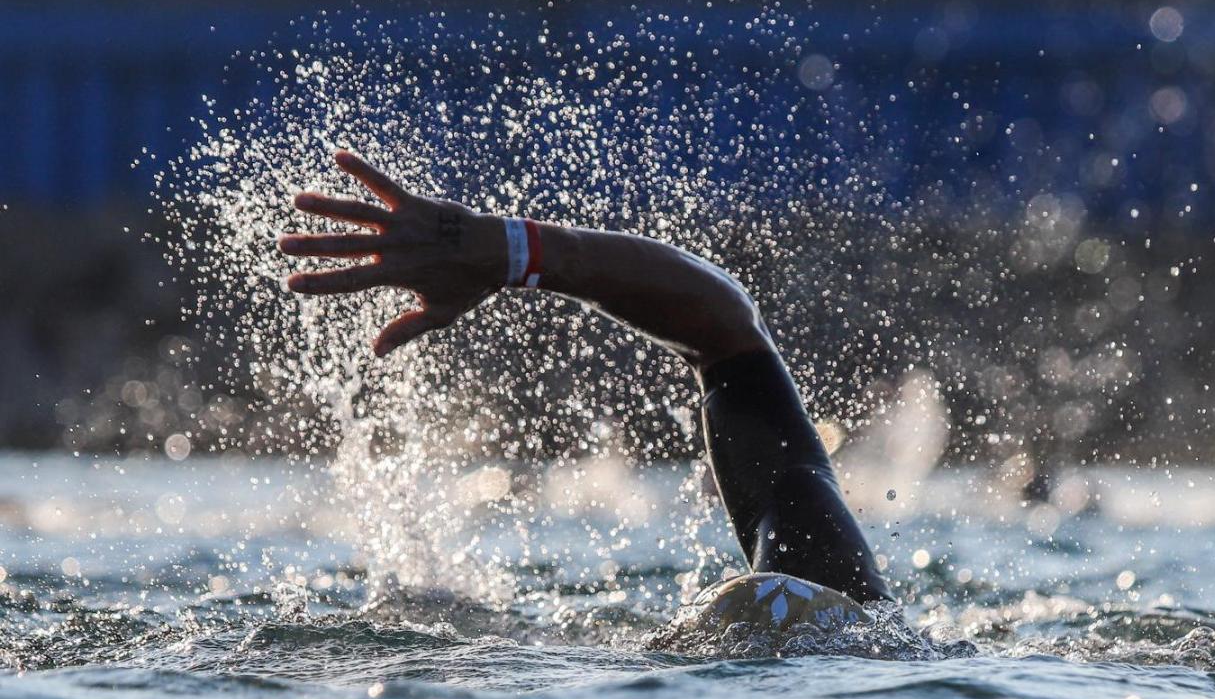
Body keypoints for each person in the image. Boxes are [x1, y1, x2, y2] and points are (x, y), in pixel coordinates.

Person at [280, 151, 893, 633]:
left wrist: (512, 252)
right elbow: (728, 333)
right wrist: (510, 250)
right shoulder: (849, 624)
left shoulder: (835, 614)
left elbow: (728, 331)